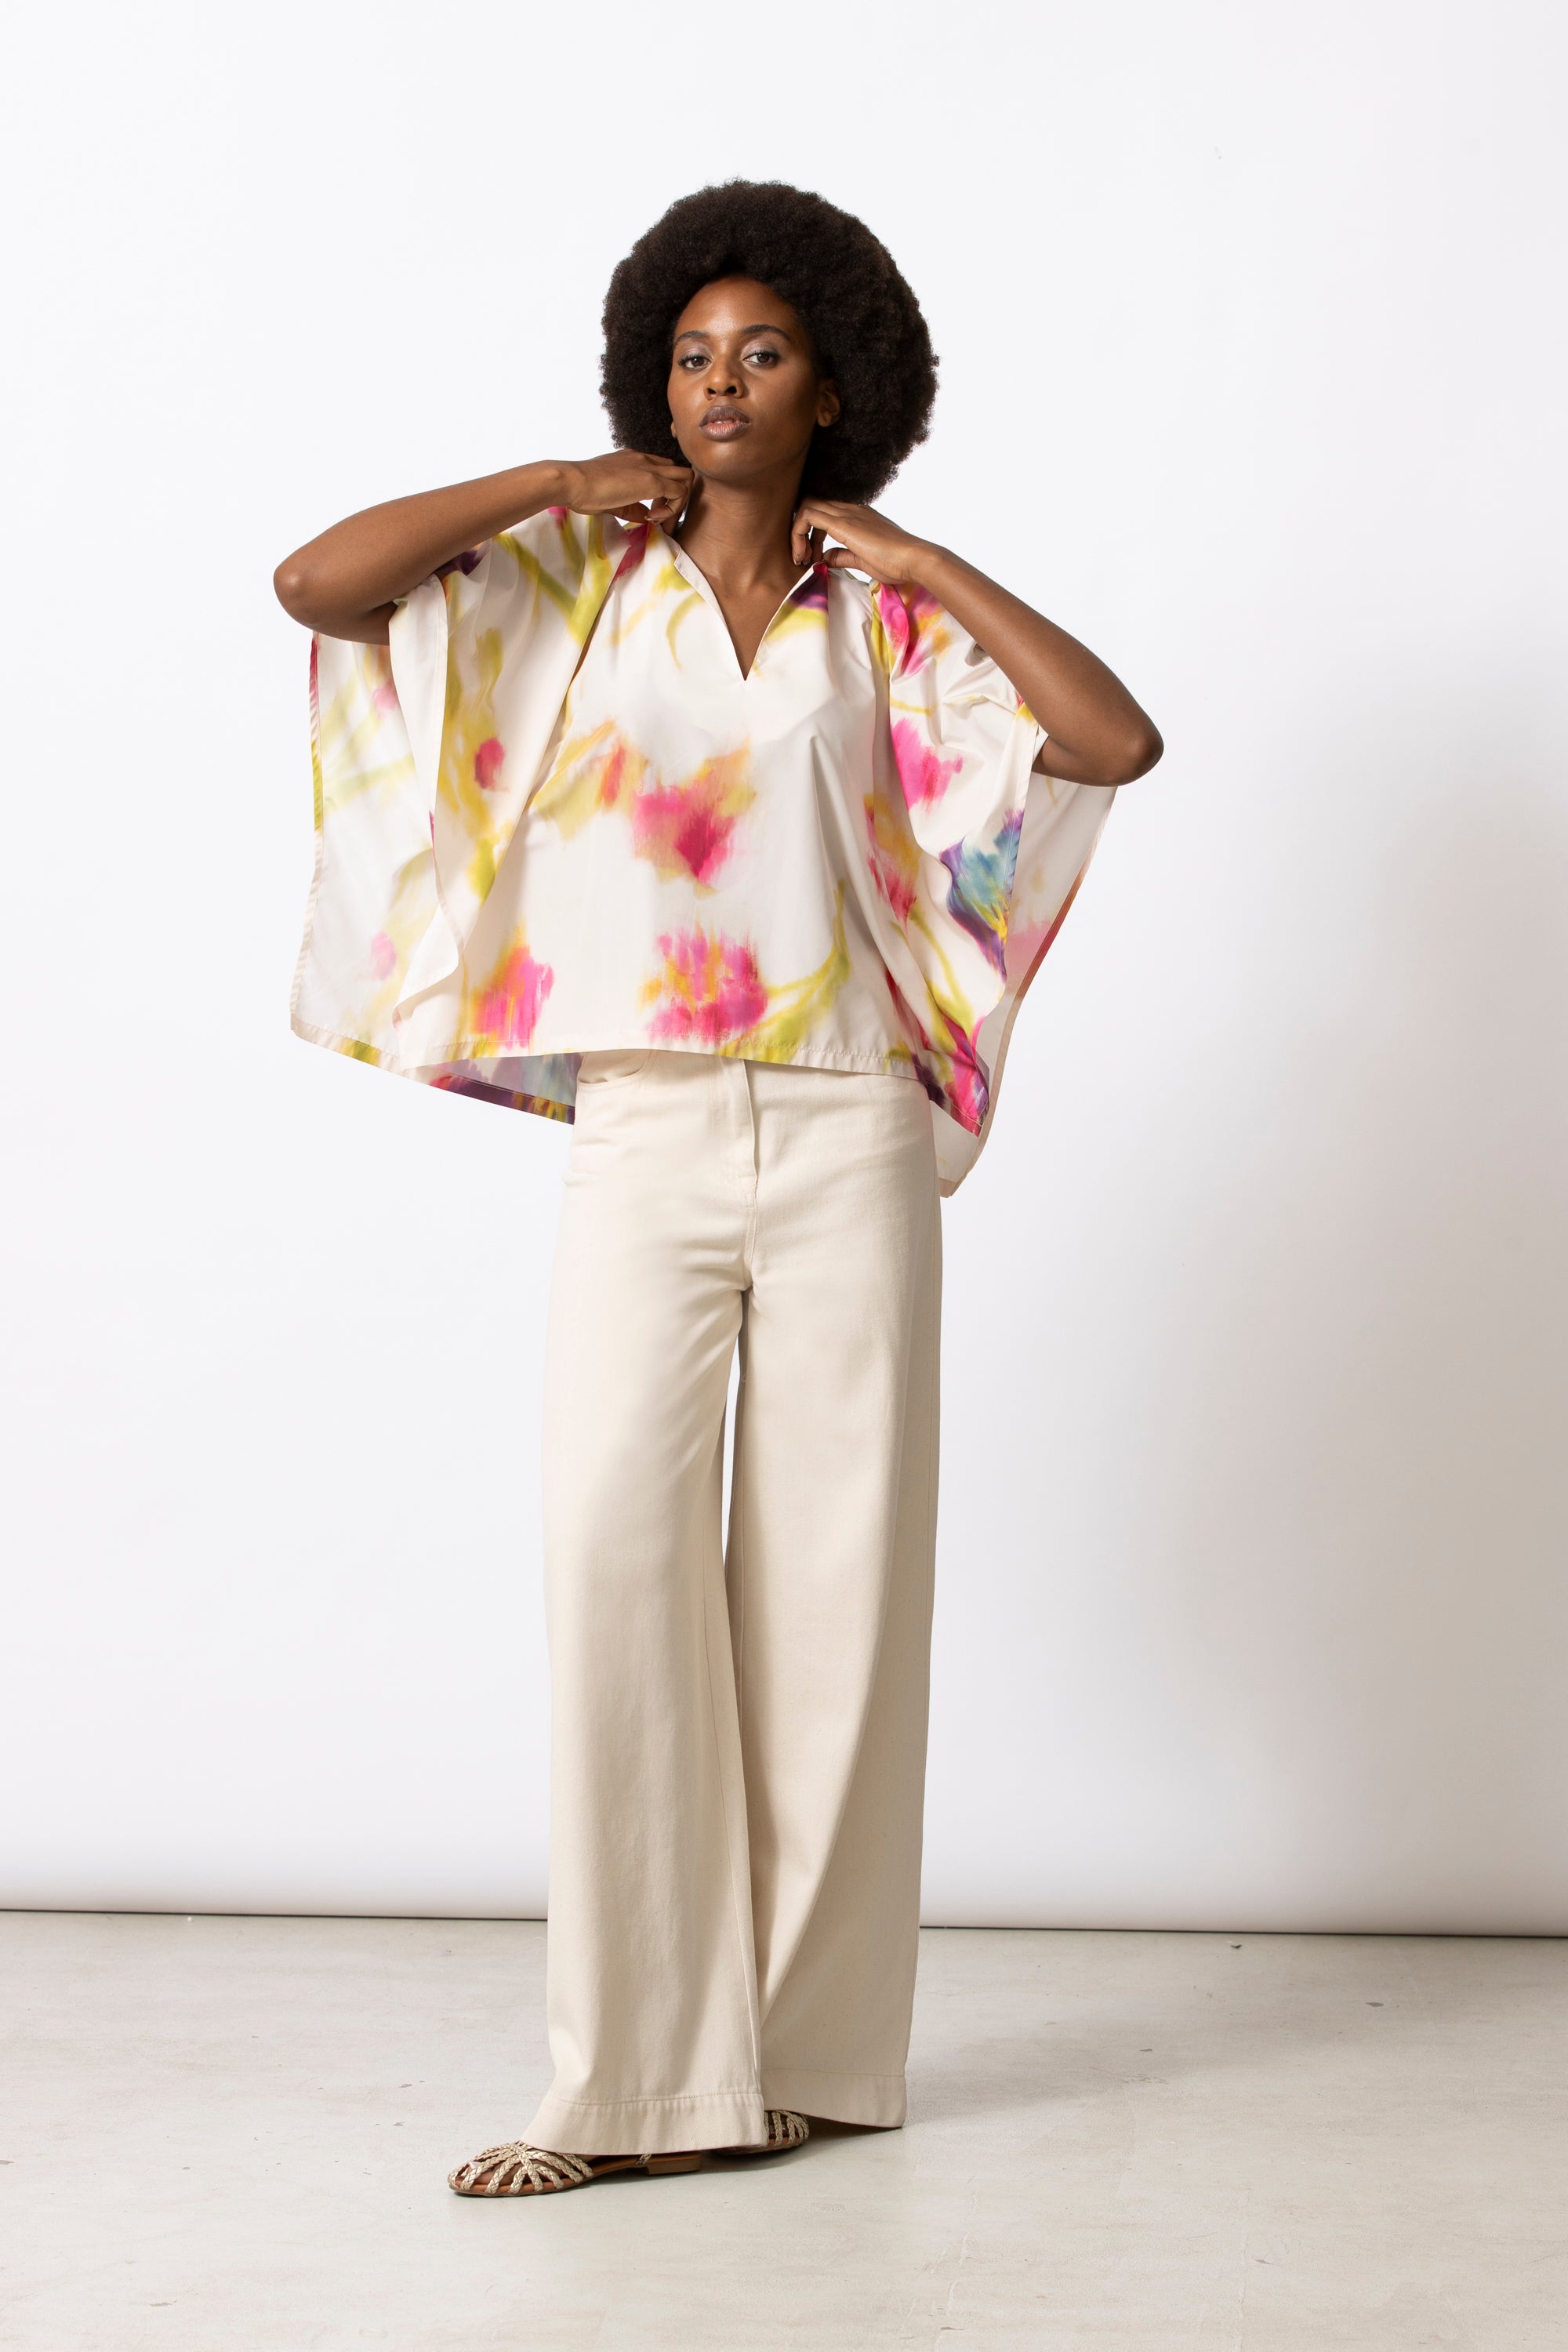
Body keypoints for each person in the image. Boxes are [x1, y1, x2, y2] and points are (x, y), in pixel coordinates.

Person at [274, 180, 1161, 2200]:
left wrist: (918, 554)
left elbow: (1110, 740)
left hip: (850, 1120)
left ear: (835, 386)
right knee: (616, 1558)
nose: (719, 385)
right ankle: (625, 2082)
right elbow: (319, 588)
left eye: (762, 353)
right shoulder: (577, 579)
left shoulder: (888, 624)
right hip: (651, 1117)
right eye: (689, 357)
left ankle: (806, 2061)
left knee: (841, 1586)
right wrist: (553, 479)